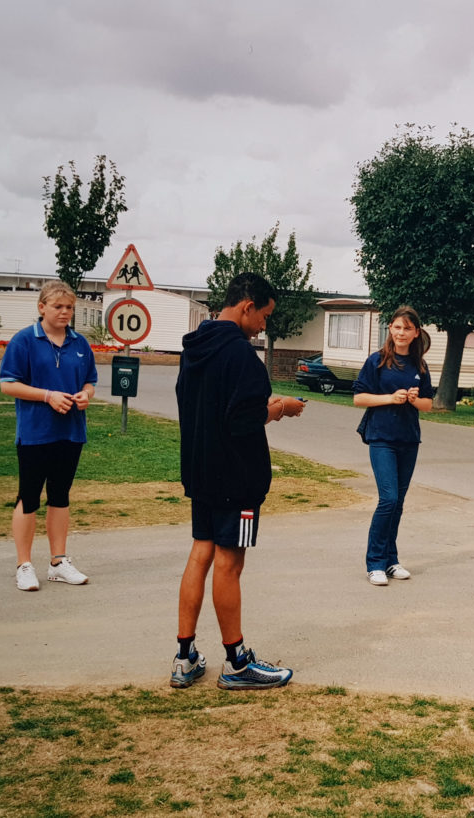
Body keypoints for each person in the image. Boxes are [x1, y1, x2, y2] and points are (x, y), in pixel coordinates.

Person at [172, 272, 307, 690]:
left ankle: (184, 656)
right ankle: (237, 662)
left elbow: (207, 408)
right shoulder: (242, 357)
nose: (265, 325)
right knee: (230, 564)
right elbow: (243, 418)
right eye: (264, 315)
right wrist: (279, 407)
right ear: (247, 306)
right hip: (239, 480)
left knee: (201, 555)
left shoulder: (195, 349)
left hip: (201, 471)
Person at [0, 281, 97, 591]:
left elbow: (90, 382)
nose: (65, 312)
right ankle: (24, 565)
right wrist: (47, 396)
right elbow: (8, 384)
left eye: (70, 307)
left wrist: (85, 395)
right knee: (29, 496)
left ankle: (58, 562)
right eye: (58, 307)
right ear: (42, 308)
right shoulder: (24, 341)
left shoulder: (80, 344)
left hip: (70, 432)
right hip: (35, 433)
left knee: (60, 495)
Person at [353, 306, 434, 586]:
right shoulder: (376, 361)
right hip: (381, 438)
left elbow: (428, 404)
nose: (401, 333)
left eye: (407, 329)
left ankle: (390, 560)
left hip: (409, 439)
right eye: (397, 327)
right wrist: (390, 398)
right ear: (390, 328)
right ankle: (374, 562)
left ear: (415, 333)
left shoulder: (419, 366)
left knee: (397, 503)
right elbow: (359, 398)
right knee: (387, 499)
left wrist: (412, 399)